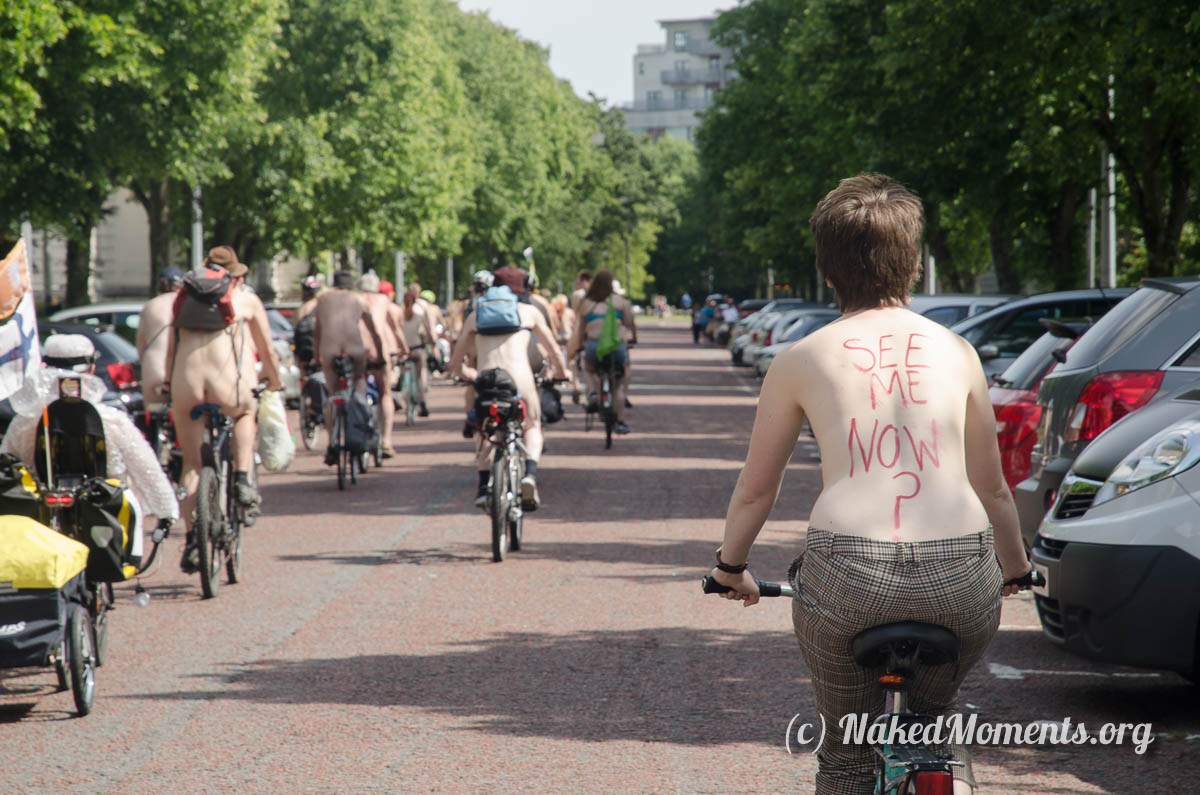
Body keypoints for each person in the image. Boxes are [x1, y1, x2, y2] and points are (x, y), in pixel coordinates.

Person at [708, 174, 1035, 795]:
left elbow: (756, 489)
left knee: (848, 757)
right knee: (933, 724)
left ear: (827, 272)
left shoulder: (801, 357)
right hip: (960, 573)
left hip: (848, 573)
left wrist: (731, 568)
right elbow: (993, 488)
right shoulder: (958, 351)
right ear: (914, 263)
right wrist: (1016, 569)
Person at [1, 335, 180, 545]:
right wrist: (167, 512)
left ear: (45, 366)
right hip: (104, 516)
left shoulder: (25, 420)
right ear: (92, 369)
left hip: (41, 520)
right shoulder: (112, 420)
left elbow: (5, 466)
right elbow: (145, 467)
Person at [166, 247, 283, 567]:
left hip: (186, 382)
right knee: (244, 413)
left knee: (191, 465)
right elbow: (267, 351)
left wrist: (166, 383)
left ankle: (192, 540)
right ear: (235, 275)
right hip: (226, 383)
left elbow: (171, 349)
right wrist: (274, 382)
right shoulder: (245, 298)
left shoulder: (183, 299)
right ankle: (243, 480)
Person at [449, 284, 567, 511]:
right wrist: (562, 372)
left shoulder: (476, 316)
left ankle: (483, 486)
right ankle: (530, 475)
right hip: (520, 380)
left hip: (488, 380)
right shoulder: (529, 312)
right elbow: (553, 350)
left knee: (484, 428)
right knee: (532, 425)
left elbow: (455, 363)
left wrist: (469, 375)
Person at [314, 270, 385, 461]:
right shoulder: (359, 299)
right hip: (354, 349)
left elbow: (317, 331)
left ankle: (332, 442)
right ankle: (363, 421)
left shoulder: (323, 300)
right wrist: (380, 356)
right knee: (359, 381)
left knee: (332, 393)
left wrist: (316, 357)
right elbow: (374, 332)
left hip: (329, 349)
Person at [565, 269, 637, 434]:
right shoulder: (620, 301)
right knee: (618, 385)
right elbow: (629, 322)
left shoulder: (587, 303)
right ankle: (620, 422)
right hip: (616, 347)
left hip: (594, 346)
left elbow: (580, 330)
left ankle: (592, 393)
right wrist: (632, 337)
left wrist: (580, 345)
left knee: (588, 369)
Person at [358, 271, 409, 458]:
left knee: (357, 390)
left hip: (358, 351)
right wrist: (404, 348)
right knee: (385, 393)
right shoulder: (383, 300)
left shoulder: (354, 299)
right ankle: (386, 441)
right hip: (379, 353)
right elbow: (394, 327)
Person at [136, 266, 184, 410]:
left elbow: (141, 345)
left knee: (155, 413)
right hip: (181, 367)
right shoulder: (186, 304)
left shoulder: (150, 306)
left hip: (154, 366)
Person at [400, 286, 437, 417]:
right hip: (417, 349)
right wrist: (431, 341)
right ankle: (422, 403)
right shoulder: (419, 314)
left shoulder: (398, 313)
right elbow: (428, 330)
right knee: (420, 376)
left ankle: (402, 392)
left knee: (402, 373)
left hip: (403, 352)